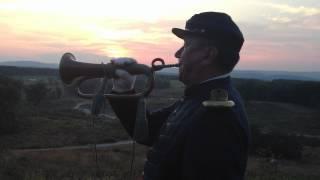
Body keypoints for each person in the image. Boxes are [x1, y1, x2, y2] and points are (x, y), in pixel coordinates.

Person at [108, 12, 250, 180]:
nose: (177, 54)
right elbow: (147, 132)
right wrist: (124, 88)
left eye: (186, 45)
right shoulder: (199, 97)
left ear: (208, 55)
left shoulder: (216, 116)